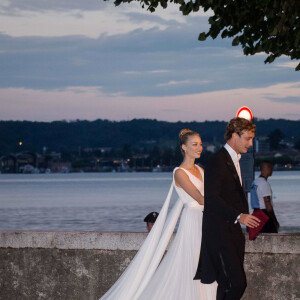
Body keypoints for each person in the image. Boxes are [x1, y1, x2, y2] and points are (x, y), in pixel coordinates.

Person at [99, 129, 217, 300]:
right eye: (194, 144)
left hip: (206, 219)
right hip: (193, 220)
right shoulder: (179, 172)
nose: (199, 148)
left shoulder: (200, 169)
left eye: (200, 144)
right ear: (184, 147)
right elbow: (200, 198)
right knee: (193, 262)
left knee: (207, 262)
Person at [194, 117, 260, 300]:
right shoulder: (218, 161)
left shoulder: (233, 160)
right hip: (219, 233)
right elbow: (212, 199)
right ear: (234, 135)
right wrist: (239, 216)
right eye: (247, 138)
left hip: (231, 232)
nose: (250, 143)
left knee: (227, 284)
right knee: (236, 283)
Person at [250, 161, 280, 233]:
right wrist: (275, 221)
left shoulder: (254, 182)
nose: (272, 170)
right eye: (271, 168)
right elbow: (268, 204)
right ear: (267, 168)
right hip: (264, 214)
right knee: (271, 238)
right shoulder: (264, 183)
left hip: (255, 213)